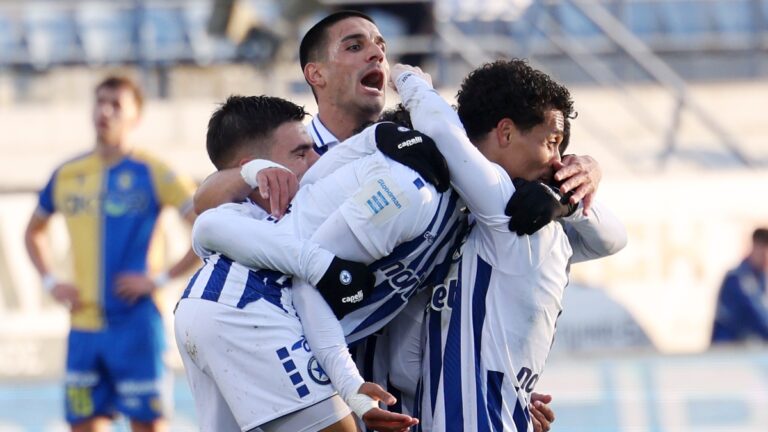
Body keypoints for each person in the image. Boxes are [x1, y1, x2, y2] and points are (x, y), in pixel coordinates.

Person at [386, 61, 626, 431]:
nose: (558, 162)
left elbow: (442, 130)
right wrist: (569, 198)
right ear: (506, 132)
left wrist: (411, 82)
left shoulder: (516, 217)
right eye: (552, 143)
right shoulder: (488, 213)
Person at [174, 95, 423, 432]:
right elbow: (206, 224)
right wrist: (325, 268)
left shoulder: (251, 215)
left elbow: (207, 220)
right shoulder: (260, 213)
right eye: (301, 153)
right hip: (246, 312)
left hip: (200, 307)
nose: (316, 161)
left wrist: (352, 387)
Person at [23, 76, 199, 432]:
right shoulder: (67, 173)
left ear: (136, 116)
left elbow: (204, 229)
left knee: (148, 426)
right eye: (100, 102)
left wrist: (159, 280)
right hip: (83, 326)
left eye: (116, 105)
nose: (105, 111)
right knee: (84, 425)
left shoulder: (155, 171)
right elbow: (33, 231)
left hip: (137, 324)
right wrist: (51, 281)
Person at [711, 227, 768, 343]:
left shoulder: (760, 279)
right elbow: (755, 316)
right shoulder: (737, 279)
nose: (765, 258)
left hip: (745, 347)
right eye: (763, 252)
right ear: (755, 247)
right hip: (728, 347)